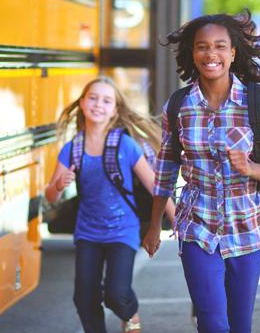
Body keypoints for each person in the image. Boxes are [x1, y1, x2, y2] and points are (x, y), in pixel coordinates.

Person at [142, 10, 260, 333]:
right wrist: (154, 224)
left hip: (247, 228)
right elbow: (165, 169)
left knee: (239, 325)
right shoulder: (178, 105)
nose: (211, 54)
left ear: (233, 53)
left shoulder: (254, 101)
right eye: (202, 47)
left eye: (220, 46)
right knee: (212, 324)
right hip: (197, 226)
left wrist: (250, 168)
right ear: (192, 54)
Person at [45, 76, 175, 333]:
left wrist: (177, 219)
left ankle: (131, 315)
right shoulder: (73, 148)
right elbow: (50, 196)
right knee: (84, 298)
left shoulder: (124, 145)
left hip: (122, 231)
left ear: (115, 110)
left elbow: (154, 185)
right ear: (82, 103)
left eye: (107, 100)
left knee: (116, 293)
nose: (98, 104)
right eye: (92, 98)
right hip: (88, 233)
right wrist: (59, 185)